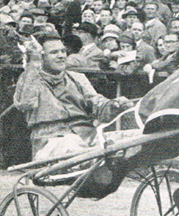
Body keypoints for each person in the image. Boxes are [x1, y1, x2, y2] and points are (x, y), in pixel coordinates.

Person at [13, 32, 133, 160]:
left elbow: (97, 103)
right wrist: (34, 61)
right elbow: (26, 104)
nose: (61, 56)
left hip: (88, 136)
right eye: (54, 52)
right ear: (41, 57)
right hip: (51, 140)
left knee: (133, 137)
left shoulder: (78, 78)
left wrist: (114, 104)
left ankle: (104, 164)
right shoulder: (29, 79)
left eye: (63, 51)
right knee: (74, 144)